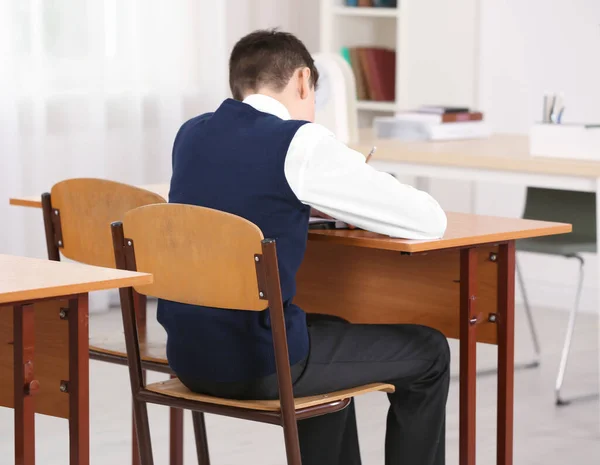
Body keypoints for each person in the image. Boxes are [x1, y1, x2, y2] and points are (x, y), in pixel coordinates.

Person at [158, 29, 450, 465]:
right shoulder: (299, 140)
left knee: (326, 326)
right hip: (258, 363)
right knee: (430, 351)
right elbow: (430, 220)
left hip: (188, 354)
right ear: (301, 81)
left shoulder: (191, 134)